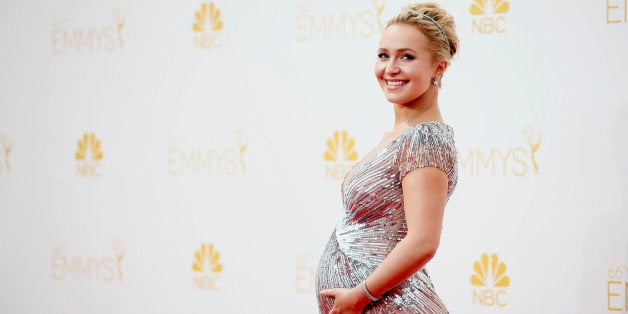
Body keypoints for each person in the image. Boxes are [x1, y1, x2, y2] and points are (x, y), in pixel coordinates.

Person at [315, 3, 459, 313]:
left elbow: (423, 241)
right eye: (384, 55)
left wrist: (361, 295)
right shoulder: (400, 136)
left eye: (406, 57)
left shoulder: (424, 140)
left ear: (439, 67)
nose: (390, 68)